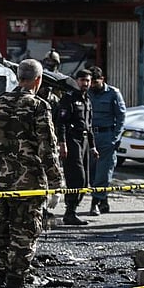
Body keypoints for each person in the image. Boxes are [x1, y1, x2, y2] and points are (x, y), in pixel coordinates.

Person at [0, 59, 64, 288]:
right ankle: (15, 287)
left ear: (19, 78)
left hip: (1, 181)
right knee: (24, 234)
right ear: (38, 80)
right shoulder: (38, 106)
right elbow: (48, 149)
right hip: (29, 183)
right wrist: (57, 184)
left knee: (0, 231)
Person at [55, 69, 98, 226]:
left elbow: (89, 125)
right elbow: (62, 123)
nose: (85, 83)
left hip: (85, 141)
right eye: (82, 80)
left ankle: (72, 211)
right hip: (72, 140)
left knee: (85, 180)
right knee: (76, 177)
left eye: (87, 80)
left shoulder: (87, 100)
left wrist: (93, 147)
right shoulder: (69, 98)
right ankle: (70, 211)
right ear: (76, 81)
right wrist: (62, 143)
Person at [88, 67, 126, 216]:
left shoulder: (113, 93)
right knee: (91, 172)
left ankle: (95, 203)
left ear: (102, 79)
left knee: (103, 172)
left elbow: (121, 117)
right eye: (91, 82)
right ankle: (103, 200)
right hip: (90, 137)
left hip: (106, 136)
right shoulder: (86, 93)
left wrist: (115, 138)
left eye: (95, 82)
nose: (92, 85)